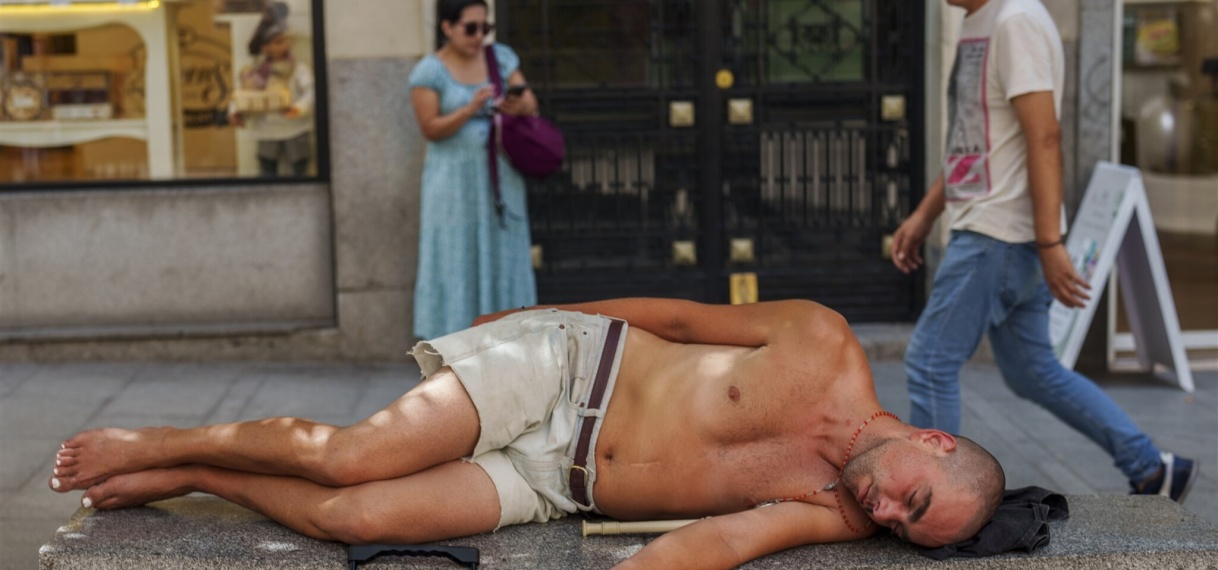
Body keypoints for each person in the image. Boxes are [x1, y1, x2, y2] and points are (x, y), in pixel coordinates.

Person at [48, 298, 1005, 569]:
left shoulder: (842, 511)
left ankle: (203, 478)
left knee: (357, 515)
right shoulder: (823, 342)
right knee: (350, 454)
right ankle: (165, 439)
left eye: (901, 533)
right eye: (909, 500)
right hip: (565, 371)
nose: (883, 512)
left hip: (556, 482)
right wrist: (546, 315)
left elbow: (728, 539)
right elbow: (670, 316)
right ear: (927, 440)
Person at [891, 0, 1198, 503]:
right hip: (997, 231)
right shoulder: (981, 20)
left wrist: (1050, 241)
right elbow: (978, 144)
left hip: (999, 235)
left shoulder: (1016, 23)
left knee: (930, 362)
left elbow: (1046, 136)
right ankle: (1151, 467)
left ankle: (938, 499)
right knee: (1032, 371)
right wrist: (926, 214)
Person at [409, 0, 537, 340]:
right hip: (452, 185)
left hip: (501, 182)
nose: (479, 35)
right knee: (454, 255)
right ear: (447, 27)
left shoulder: (502, 58)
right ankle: (452, 342)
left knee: (503, 255)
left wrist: (516, 104)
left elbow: (531, 105)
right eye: (470, 28)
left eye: (485, 28)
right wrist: (470, 109)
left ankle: (510, 338)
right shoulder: (429, 71)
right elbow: (430, 128)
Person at [229, 2, 316, 177]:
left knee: (300, 167)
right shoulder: (256, 72)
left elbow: (311, 91)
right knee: (267, 168)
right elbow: (244, 93)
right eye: (275, 42)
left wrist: (299, 108)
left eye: (282, 41)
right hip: (267, 128)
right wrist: (235, 111)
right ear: (264, 47)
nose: (279, 46)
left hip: (295, 128)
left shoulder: (297, 68)